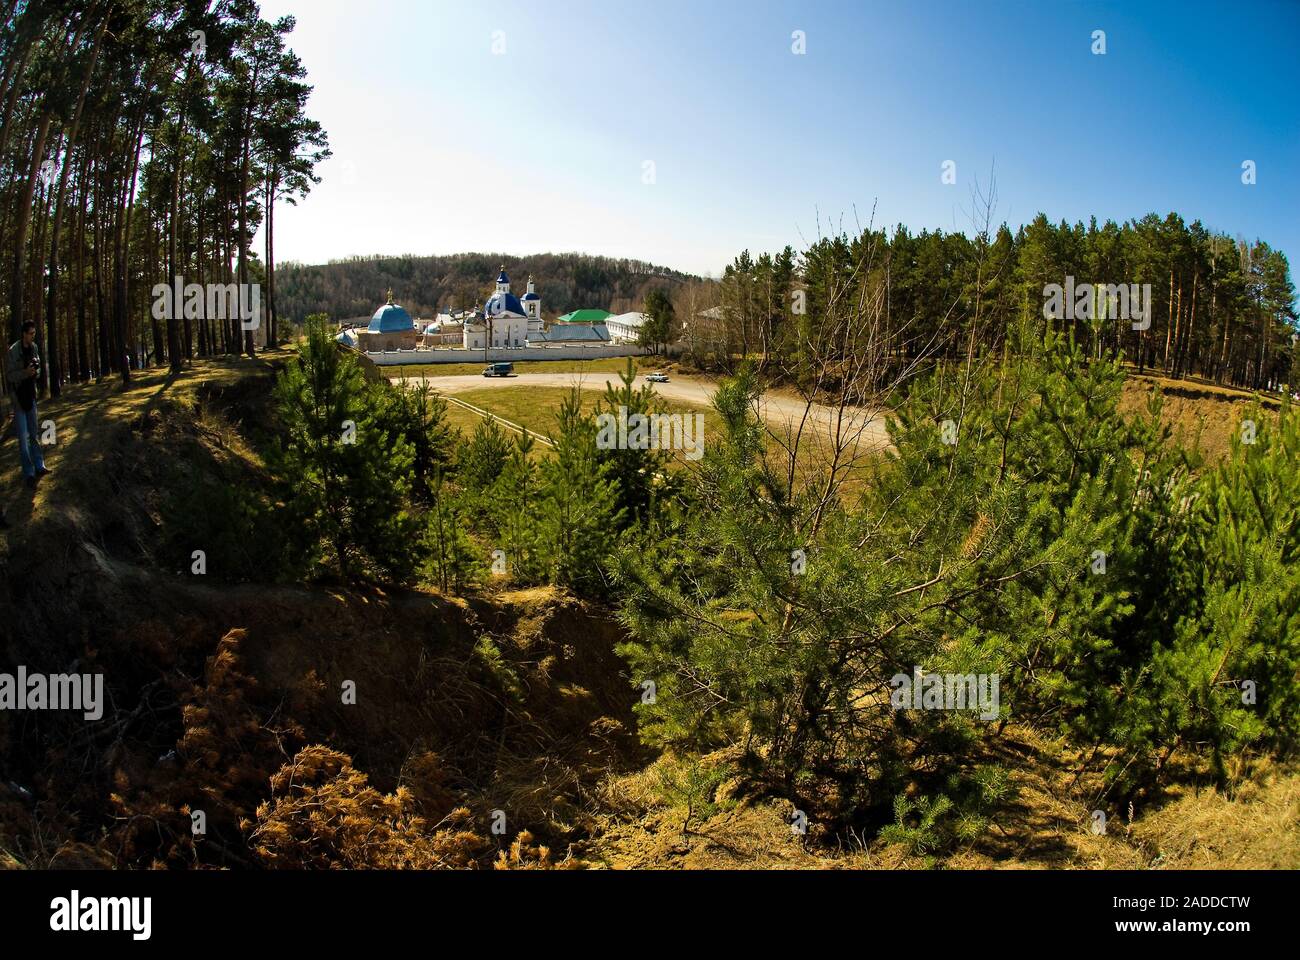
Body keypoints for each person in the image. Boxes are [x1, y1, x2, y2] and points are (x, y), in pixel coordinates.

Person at [6, 320, 49, 488]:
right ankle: (29, 473)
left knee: (34, 434)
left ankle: (39, 466)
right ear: (24, 333)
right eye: (31, 333)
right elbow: (9, 376)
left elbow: (37, 371)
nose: (33, 336)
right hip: (18, 399)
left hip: (31, 396)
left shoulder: (35, 348)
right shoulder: (13, 351)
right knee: (23, 440)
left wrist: (35, 371)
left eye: (34, 333)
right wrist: (24, 373)